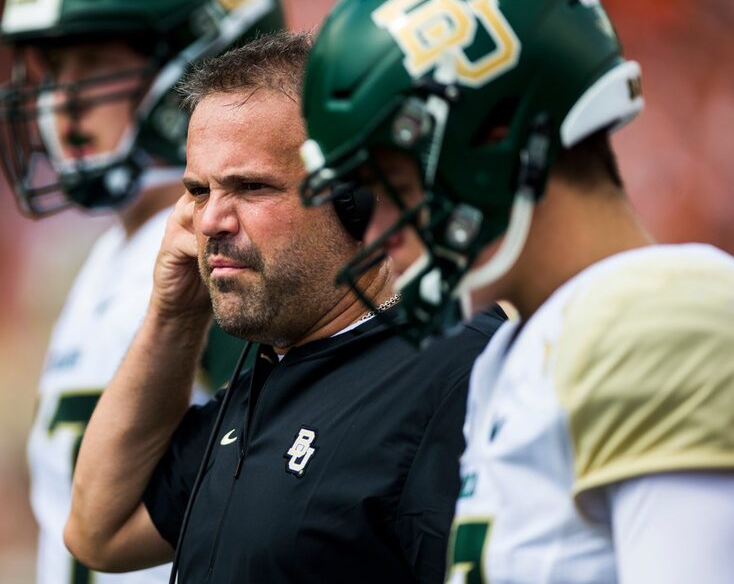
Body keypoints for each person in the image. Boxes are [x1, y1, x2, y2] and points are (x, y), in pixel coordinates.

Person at [299, 0, 734, 583]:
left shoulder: (661, 315)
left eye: (393, 185)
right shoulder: (516, 348)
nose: (381, 234)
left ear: (491, 137)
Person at [64, 31, 504, 584]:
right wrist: (175, 310)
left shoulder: (458, 373)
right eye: (199, 191)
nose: (208, 222)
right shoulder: (269, 375)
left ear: (358, 196)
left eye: (249, 187)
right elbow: (96, 532)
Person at [0, 0, 284, 583]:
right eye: (54, 67)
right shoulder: (109, 254)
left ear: (198, 65)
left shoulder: (227, 244)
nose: (56, 101)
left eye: (91, 62)